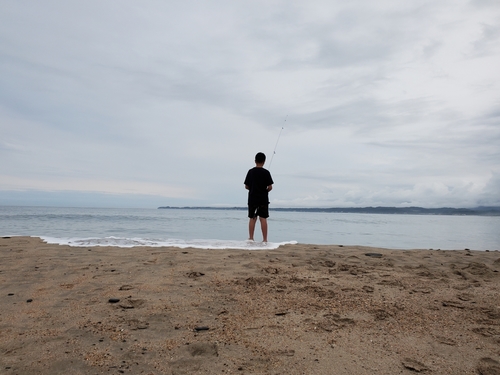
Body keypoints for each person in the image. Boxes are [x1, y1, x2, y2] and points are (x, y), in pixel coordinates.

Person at [244, 152, 274, 243]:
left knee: (252, 217)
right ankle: (265, 240)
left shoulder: (250, 172)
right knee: (263, 218)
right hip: (263, 198)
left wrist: (252, 189)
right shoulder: (266, 172)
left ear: (255, 161)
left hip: (252, 197)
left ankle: (251, 238)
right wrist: (265, 191)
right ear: (264, 161)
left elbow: (246, 186)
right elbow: (270, 187)